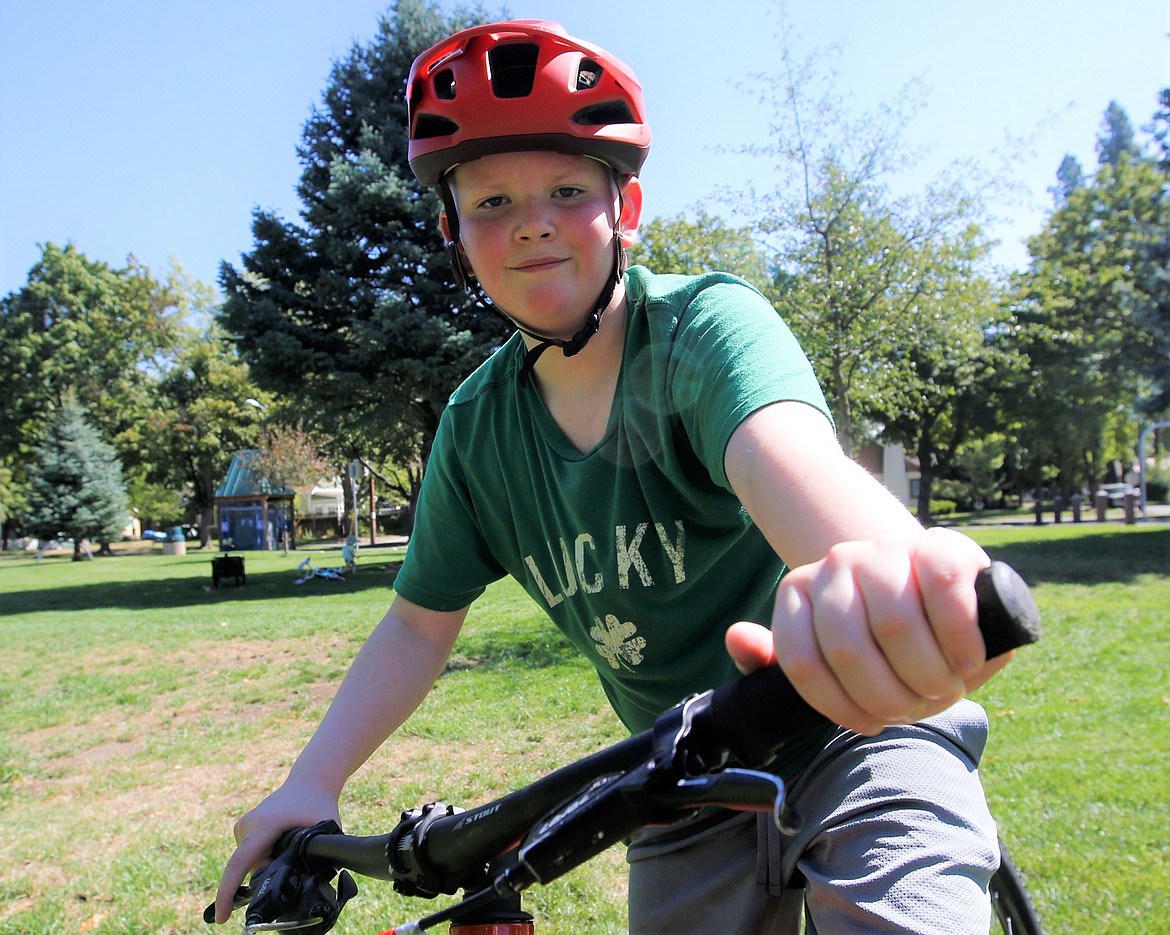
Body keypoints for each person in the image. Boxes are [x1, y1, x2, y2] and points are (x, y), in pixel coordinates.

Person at [214, 21, 1011, 933]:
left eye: (565, 189)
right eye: (491, 202)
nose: (534, 222)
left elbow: (787, 456)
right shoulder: (477, 432)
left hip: (857, 728)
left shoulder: (706, 335)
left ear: (625, 211)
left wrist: (886, 575)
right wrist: (312, 779)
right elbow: (415, 622)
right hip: (681, 780)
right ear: (452, 233)